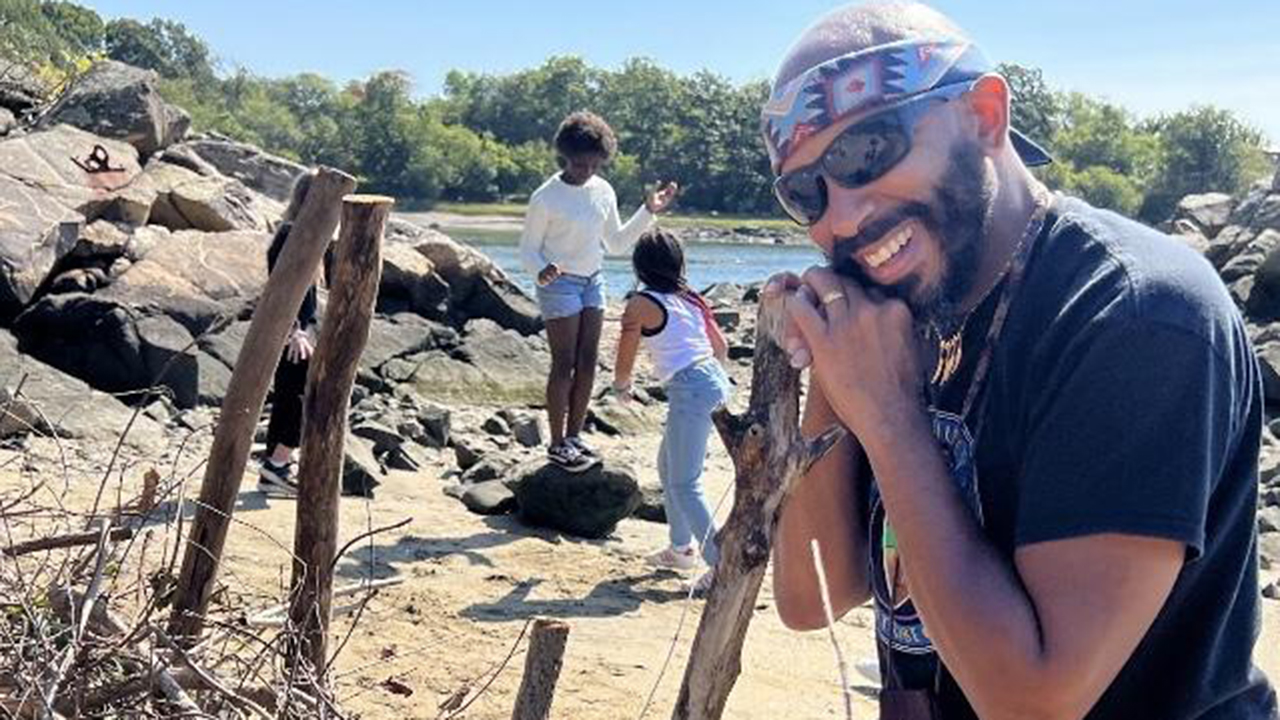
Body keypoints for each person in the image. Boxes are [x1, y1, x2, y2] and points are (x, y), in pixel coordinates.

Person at [762, 3, 1278, 719]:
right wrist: (833, 363)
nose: (842, 216)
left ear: (982, 113)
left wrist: (886, 414)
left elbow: (1033, 701)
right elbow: (811, 592)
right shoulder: (906, 306)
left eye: (864, 152)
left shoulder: (1135, 315)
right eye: (805, 192)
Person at [520, 110, 678, 472]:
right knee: (564, 363)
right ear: (565, 156)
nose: (585, 170)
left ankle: (574, 436)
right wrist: (541, 271)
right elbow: (528, 249)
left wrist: (648, 211)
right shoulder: (546, 197)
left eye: (593, 164)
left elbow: (617, 243)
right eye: (578, 164)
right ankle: (557, 443)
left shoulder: (603, 190)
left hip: (593, 280)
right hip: (557, 283)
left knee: (589, 359)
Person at [612, 228, 731, 594]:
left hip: (692, 388)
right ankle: (681, 548)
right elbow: (721, 347)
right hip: (709, 380)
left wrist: (622, 386)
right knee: (668, 467)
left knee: (685, 481)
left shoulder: (640, 303)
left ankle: (721, 565)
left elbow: (626, 351)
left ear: (639, 265)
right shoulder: (690, 300)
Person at [258, 171, 324, 497]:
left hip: (301, 332)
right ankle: (276, 466)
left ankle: (276, 468)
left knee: (289, 397)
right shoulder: (290, 234)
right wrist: (295, 330)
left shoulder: (306, 235)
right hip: (294, 335)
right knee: (302, 399)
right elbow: (280, 286)